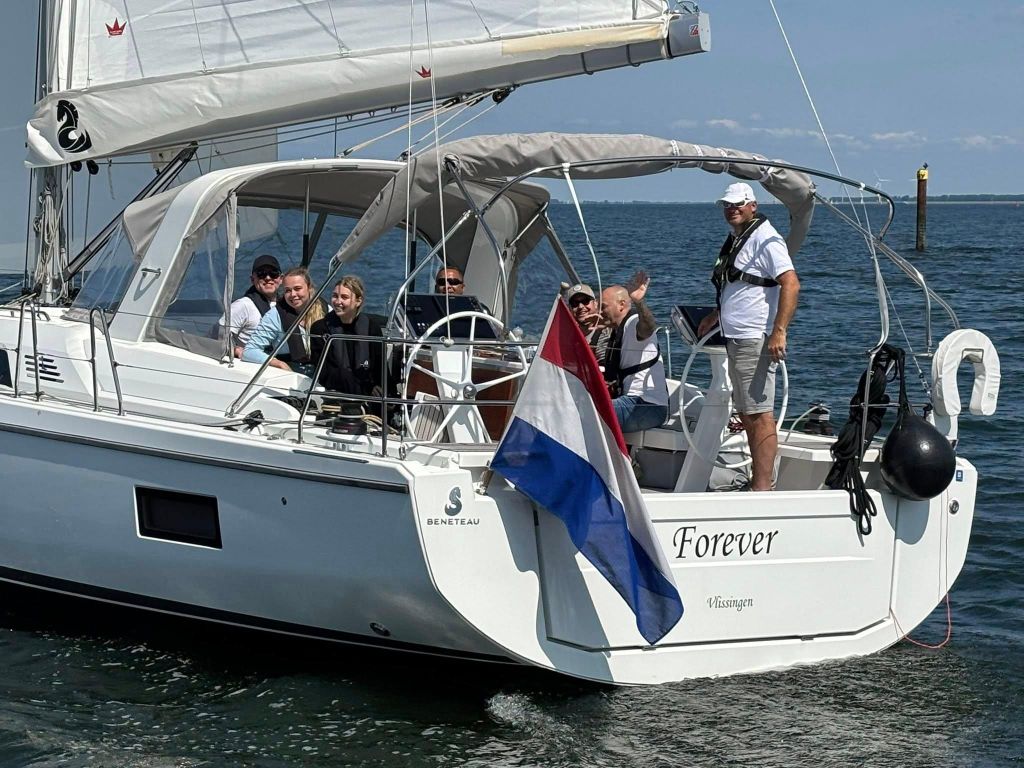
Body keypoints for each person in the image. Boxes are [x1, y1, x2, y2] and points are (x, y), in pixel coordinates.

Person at [697, 182, 800, 491]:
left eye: (738, 204)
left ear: (753, 205)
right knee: (748, 412)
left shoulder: (766, 239)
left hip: (754, 337)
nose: (732, 209)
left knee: (758, 414)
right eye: (728, 205)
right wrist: (717, 315)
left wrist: (779, 331)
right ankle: (760, 482)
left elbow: (791, 284)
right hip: (736, 336)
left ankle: (762, 487)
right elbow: (740, 284)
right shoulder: (738, 238)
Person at [600, 271, 668, 433]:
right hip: (630, 402)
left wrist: (639, 302)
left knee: (584, 411)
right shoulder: (617, 331)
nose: (601, 312)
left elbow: (649, 326)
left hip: (646, 405)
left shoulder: (633, 322)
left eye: (604, 307)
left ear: (622, 304)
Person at [242, 267, 326, 376]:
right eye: (287, 290)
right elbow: (249, 351)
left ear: (309, 288)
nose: (293, 295)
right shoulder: (275, 315)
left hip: (322, 374)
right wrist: (278, 364)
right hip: (291, 374)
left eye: (297, 288)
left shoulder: (326, 310)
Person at [309, 275, 385, 397]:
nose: (338, 302)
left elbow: (380, 366)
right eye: (335, 296)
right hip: (334, 391)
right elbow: (324, 371)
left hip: (368, 391)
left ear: (358, 301)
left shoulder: (372, 328)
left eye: (344, 297)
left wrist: (384, 390)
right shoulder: (320, 328)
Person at [221, 254, 282, 357]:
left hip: (281, 360)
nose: (268, 278)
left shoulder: (286, 305)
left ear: (281, 279)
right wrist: (235, 350)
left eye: (273, 273)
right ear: (252, 279)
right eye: (261, 274)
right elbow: (218, 337)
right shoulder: (243, 305)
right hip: (252, 363)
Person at [564, 282, 610, 368]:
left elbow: (604, 367)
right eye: (575, 303)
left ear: (595, 303)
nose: (581, 306)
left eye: (585, 301)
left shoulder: (604, 333)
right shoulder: (568, 336)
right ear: (570, 308)